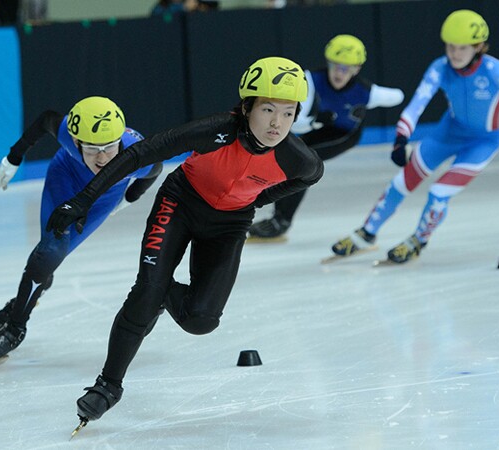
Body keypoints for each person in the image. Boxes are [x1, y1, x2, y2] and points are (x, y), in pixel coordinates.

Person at [44, 56, 323, 428]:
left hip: (230, 224)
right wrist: (83, 200)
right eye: (268, 109)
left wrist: (258, 200)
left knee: (201, 320)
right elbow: (140, 153)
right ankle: (108, 385)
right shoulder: (214, 130)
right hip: (180, 204)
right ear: (246, 107)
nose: (277, 123)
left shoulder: (297, 158)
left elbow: (310, 177)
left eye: (289, 113)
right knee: (145, 293)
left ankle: (158, 291)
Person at [329, 10, 499, 264]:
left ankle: (418, 240)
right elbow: (417, 104)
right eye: (450, 46)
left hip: (482, 143)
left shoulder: (497, 71)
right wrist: (401, 138)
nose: (454, 53)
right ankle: (367, 233)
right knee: (401, 182)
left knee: (439, 192)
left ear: (478, 47)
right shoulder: (440, 67)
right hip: (447, 133)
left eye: (461, 48)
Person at [0, 96, 163, 364]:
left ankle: (18, 314)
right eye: (93, 149)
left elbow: (156, 169)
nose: (103, 157)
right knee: (48, 252)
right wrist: (14, 157)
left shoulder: (137, 154)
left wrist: (129, 197)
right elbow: (45, 119)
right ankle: (18, 317)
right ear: (75, 142)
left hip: (103, 197)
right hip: (63, 178)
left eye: (110, 147)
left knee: (49, 256)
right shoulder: (65, 133)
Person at [248, 34, 404, 241]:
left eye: (347, 68)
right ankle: (278, 217)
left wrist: (368, 103)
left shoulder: (366, 91)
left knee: (300, 164)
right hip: (317, 130)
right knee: (291, 159)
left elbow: (397, 96)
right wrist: (315, 119)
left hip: (344, 135)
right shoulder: (311, 80)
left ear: (357, 69)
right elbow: (299, 122)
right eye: (336, 65)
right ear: (328, 62)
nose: (340, 73)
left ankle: (281, 221)